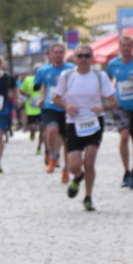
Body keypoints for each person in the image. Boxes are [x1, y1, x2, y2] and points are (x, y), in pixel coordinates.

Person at [51, 43, 115, 211]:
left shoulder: (100, 76)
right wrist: (67, 107)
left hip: (94, 122)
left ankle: (88, 197)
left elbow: (113, 102)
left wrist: (103, 107)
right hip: (74, 123)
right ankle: (77, 178)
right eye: (80, 56)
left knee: (89, 161)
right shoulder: (67, 75)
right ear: (75, 58)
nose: (84, 59)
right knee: (73, 165)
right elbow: (56, 98)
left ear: (92, 58)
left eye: (87, 56)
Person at [105, 33, 133, 189]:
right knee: (124, 136)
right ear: (119, 48)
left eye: (128, 46)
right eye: (123, 46)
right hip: (120, 105)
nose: (126, 48)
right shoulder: (113, 64)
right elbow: (108, 81)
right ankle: (126, 171)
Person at [33, 43, 69, 180]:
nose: (58, 55)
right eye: (56, 52)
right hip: (51, 106)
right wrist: (42, 98)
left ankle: (66, 169)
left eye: (61, 52)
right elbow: (44, 86)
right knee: (52, 129)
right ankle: (53, 156)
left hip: (66, 107)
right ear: (50, 54)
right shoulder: (44, 70)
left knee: (67, 140)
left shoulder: (71, 69)